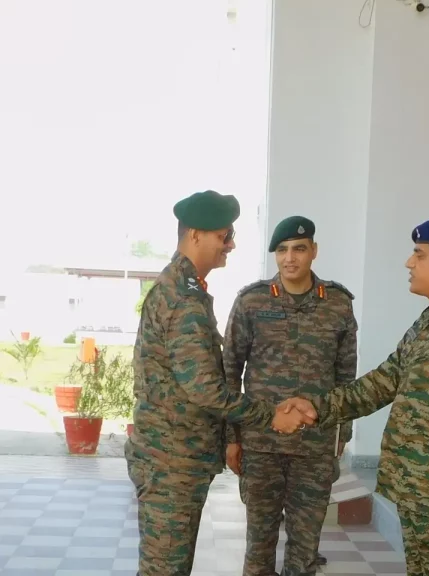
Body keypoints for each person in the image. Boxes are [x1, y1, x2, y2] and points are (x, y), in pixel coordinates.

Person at [283, 216, 429, 576]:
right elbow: (382, 382)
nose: (409, 262)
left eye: (419, 255)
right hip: (420, 495)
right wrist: (317, 407)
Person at [125, 191, 315, 576]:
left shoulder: (182, 288)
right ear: (195, 234)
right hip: (171, 461)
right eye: (224, 236)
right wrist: (269, 416)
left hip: (173, 457)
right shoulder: (184, 298)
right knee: (165, 569)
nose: (231, 245)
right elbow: (204, 389)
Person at [223, 215, 358, 576]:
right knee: (259, 543)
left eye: (299, 248)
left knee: (305, 546)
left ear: (313, 251)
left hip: (315, 448)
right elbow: (229, 373)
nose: (290, 258)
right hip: (260, 444)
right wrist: (231, 439)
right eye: (281, 250)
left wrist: (340, 435)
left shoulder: (338, 304)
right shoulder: (252, 302)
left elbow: (346, 379)